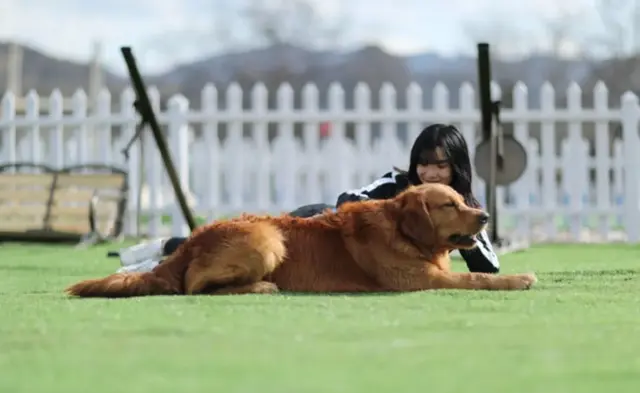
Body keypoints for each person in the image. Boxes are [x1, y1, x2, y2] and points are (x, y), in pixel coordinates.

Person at [115, 123, 499, 274]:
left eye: (441, 166)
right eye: (423, 164)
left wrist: (462, 230)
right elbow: (351, 199)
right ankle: (161, 254)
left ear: (457, 169)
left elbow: (488, 264)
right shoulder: (396, 188)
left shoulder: (463, 207)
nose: (430, 173)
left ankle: (163, 252)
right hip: (321, 223)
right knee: (237, 246)